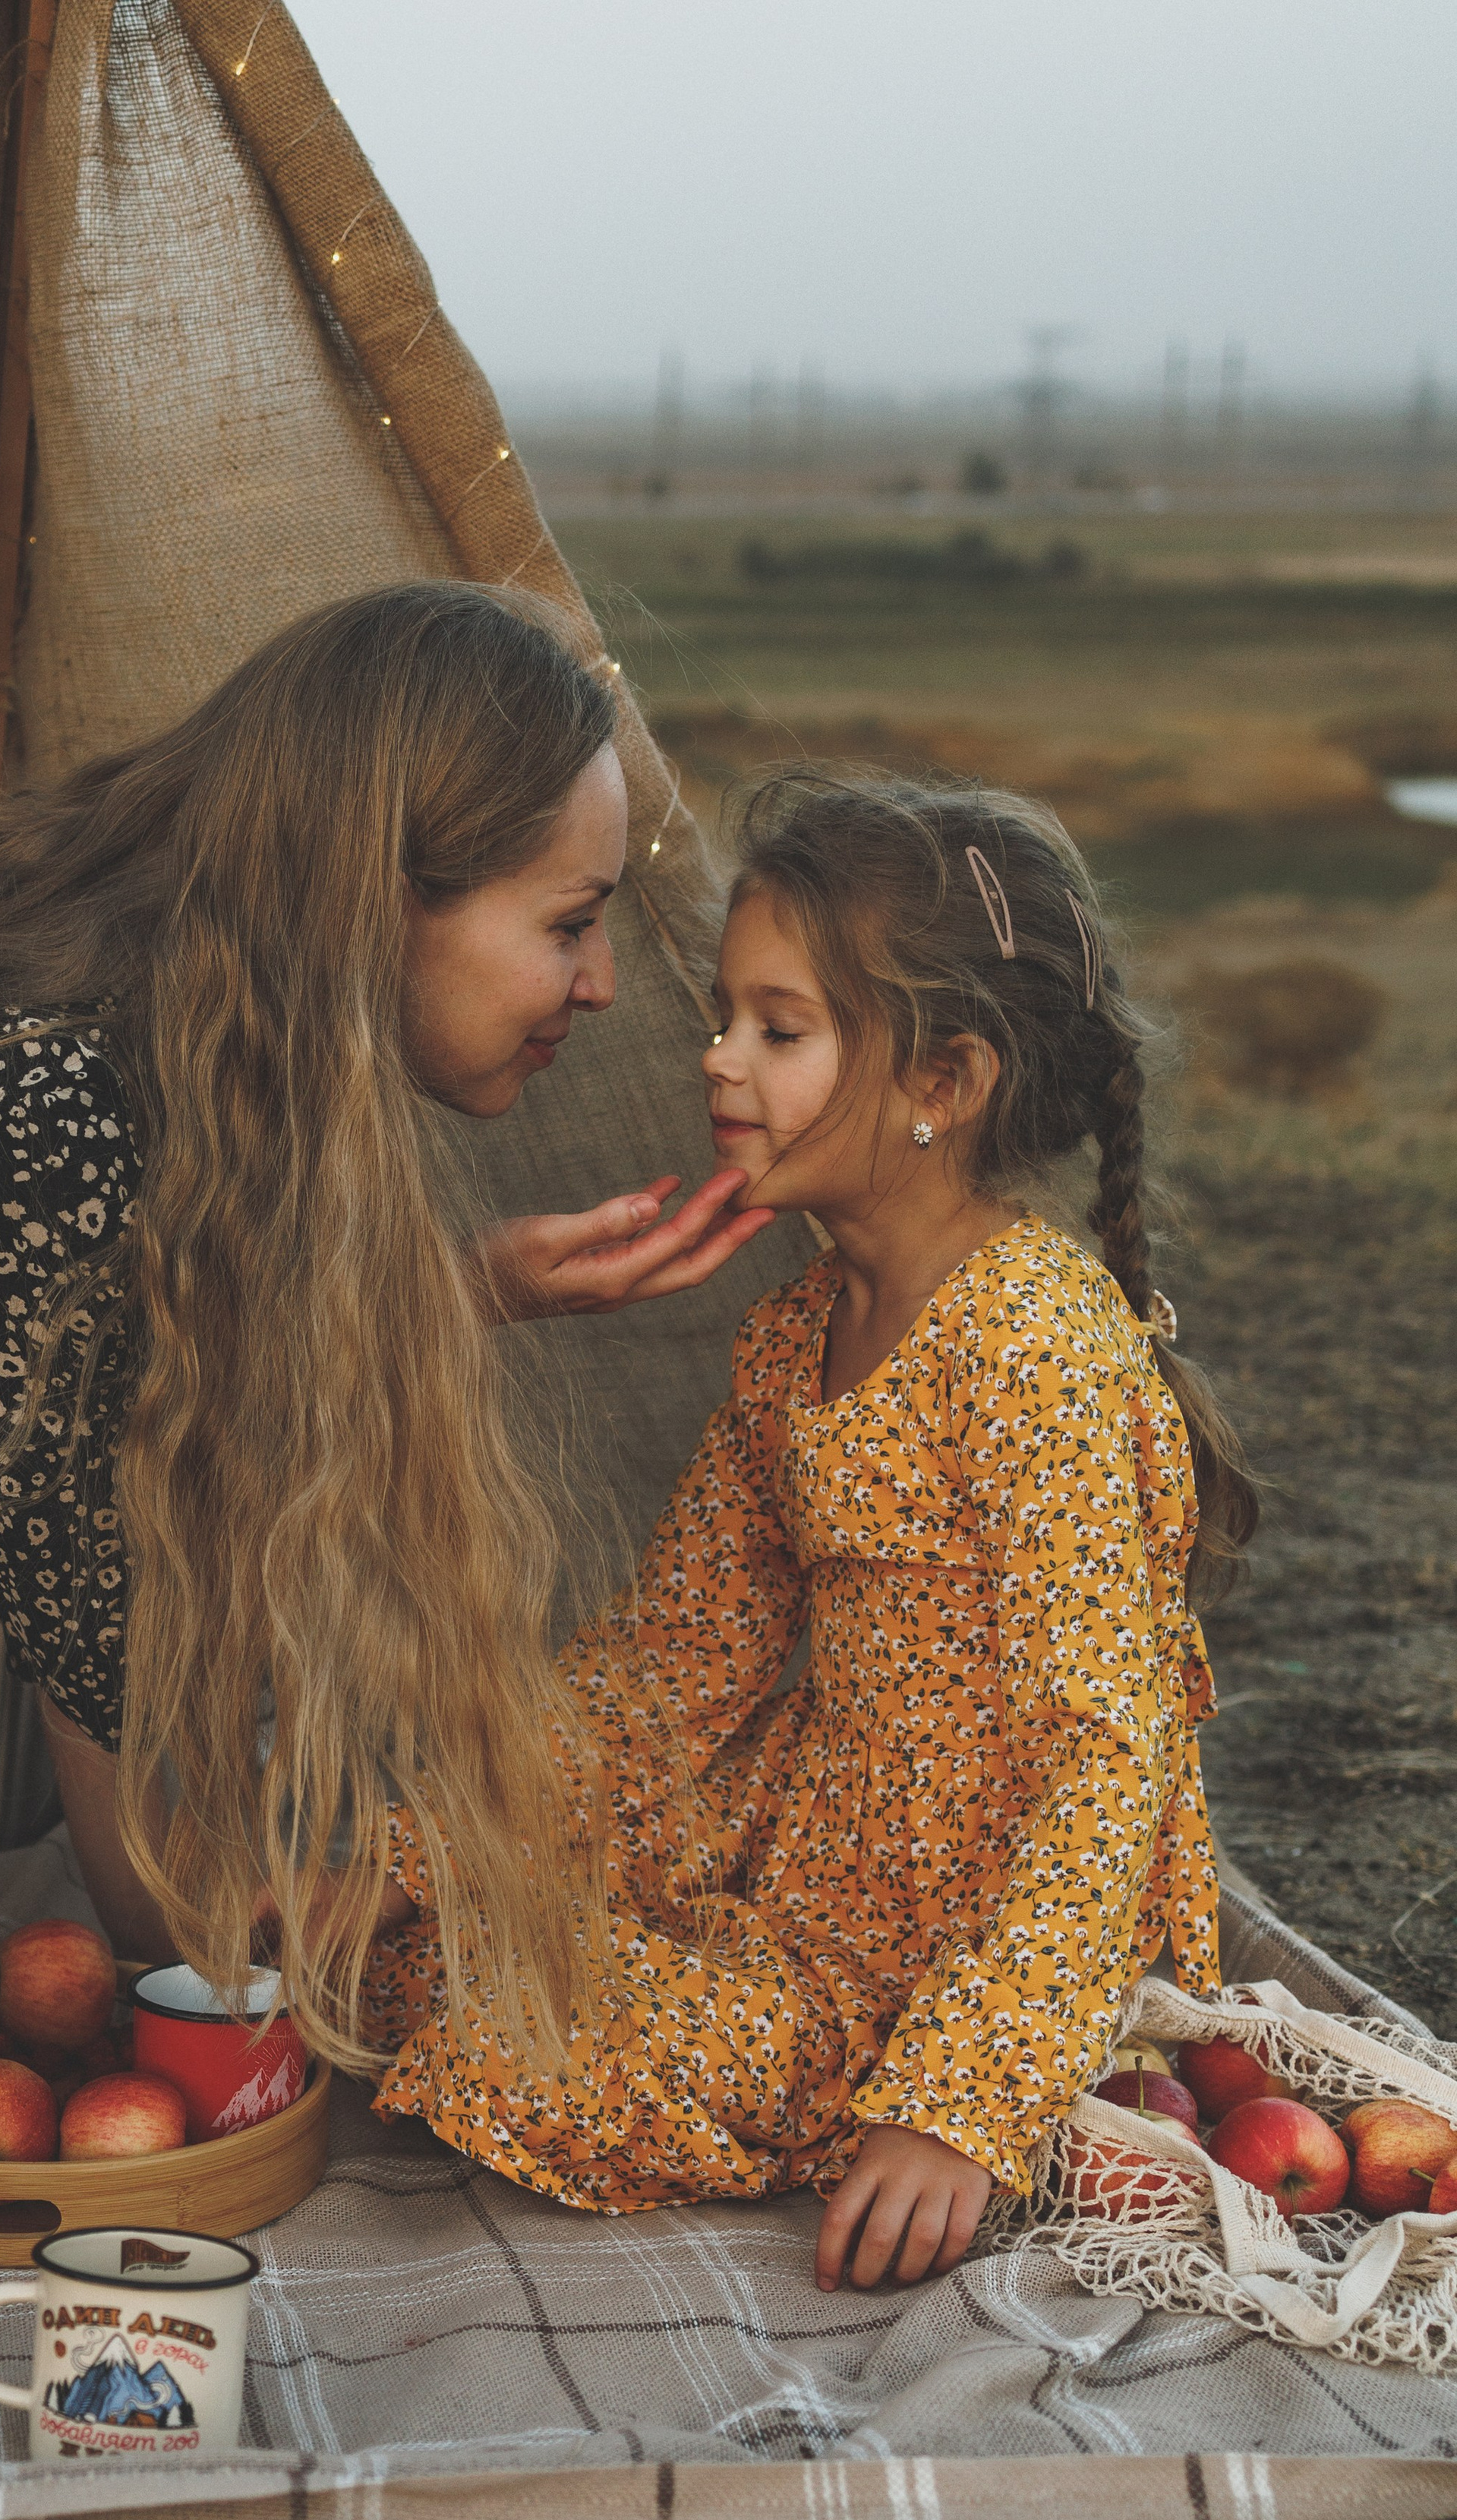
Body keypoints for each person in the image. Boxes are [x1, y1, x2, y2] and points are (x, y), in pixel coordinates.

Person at [0, 581, 769, 2430]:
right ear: (374, 900)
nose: (597, 983)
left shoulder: (123, 1061)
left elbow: (136, 1393)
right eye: (567, 923)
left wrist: (459, 1283)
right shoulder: (51, 1116)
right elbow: (117, 1679)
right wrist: (253, 1981)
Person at [367, 766, 1259, 2294]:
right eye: (725, 1016)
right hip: (813, 1851)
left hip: (976, 1927)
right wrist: (427, 1859)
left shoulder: (1031, 1344)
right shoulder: (796, 1335)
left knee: (528, 2041)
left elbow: (1103, 1754)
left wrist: (962, 2105)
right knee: (429, 1944)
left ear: (944, 1080)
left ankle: (900, 2082)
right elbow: (669, 1668)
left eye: (776, 1030)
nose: (715, 1059)